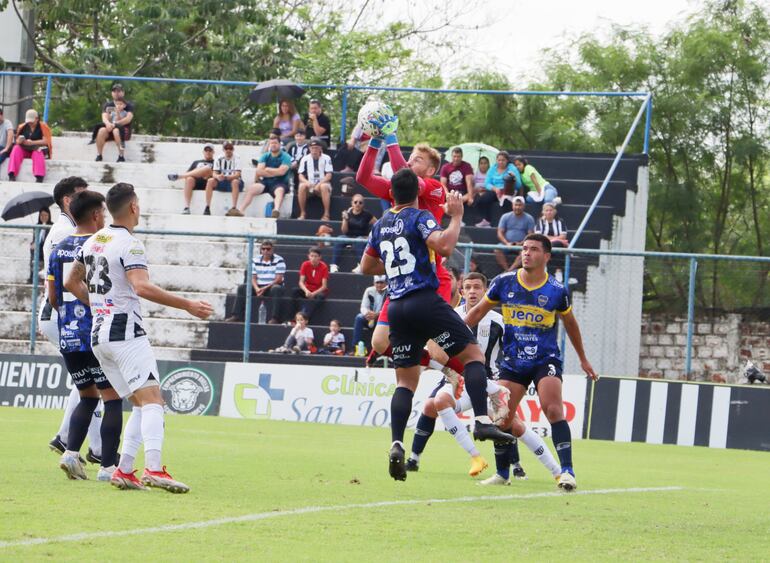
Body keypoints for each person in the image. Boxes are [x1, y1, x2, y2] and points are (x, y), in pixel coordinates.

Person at [360, 167, 514, 481]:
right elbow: (444, 246)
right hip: (424, 300)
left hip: (398, 306)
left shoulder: (381, 225)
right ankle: (482, 419)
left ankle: (397, 443)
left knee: (405, 383)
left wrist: (392, 266)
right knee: (473, 357)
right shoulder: (419, 216)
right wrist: (455, 217)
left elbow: (365, 266)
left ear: (392, 193)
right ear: (416, 193)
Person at [65, 182, 213, 492]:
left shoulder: (92, 241)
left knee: (140, 401)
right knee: (154, 399)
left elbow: (70, 281)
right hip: (125, 332)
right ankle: (155, 468)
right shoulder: (131, 244)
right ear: (133, 207)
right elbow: (141, 287)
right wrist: (188, 305)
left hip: (99, 335)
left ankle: (124, 470)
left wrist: (98, 306)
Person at [465, 233, 599, 491]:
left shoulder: (557, 291)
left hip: (544, 359)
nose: (526, 253)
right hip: (513, 361)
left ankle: (567, 472)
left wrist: (583, 359)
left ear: (546, 256)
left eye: (534, 249)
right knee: (501, 417)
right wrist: (450, 335)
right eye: (524, 249)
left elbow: (571, 324)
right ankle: (503, 473)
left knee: (553, 410)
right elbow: (476, 313)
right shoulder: (503, 282)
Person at [47, 190, 123, 482]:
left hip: (68, 334)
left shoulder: (59, 247)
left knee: (87, 397)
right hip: (97, 332)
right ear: (94, 215)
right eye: (102, 212)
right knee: (112, 398)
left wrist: (69, 317)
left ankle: (70, 455)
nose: (104, 217)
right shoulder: (100, 245)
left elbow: (53, 296)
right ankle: (107, 467)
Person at [43, 177, 102, 461]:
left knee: (82, 382)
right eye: (82, 195)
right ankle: (97, 449)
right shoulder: (71, 232)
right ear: (69, 200)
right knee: (97, 383)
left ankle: (66, 438)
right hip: (68, 310)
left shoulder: (62, 230)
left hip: (59, 309)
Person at [225, 240, 286, 324]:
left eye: (268, 249)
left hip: (272, 286)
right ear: (261, 250)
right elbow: (252, 277)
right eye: (263, 249)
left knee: (277, 289)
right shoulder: (255, 260)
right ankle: (237, 316)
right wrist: (257, 288)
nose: (265, 251)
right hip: (258, 286)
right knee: (242, 288)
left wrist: (264, 288)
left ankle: (275, 318)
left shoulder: (279, 260)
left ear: (272, 250)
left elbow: (278, 279)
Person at [238, 137, 291, 218]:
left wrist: (268, 169)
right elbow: (259, 171)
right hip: (266, 182)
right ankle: (241, 211)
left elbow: (282, 172)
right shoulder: (265, 156)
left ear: (279, 144)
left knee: (280, 191)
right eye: (271, 143)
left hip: (280, 182)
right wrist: (275, 172)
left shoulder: (286, 156)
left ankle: (276, 210)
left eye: (275, 143)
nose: (273, 145)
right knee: (252, 188)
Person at [330, 194, 375, 273]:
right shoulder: (348, 213)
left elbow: (377, 225)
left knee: (359, 241)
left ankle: (361, 265)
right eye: (355, 202)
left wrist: (369, 236)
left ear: (363, 204)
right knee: (339, 239)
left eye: (360, 202)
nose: (357, 204)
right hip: (348, 236)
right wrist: (345, 219)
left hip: (361, 237)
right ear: (352, 203)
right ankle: (334, 265)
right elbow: (344, 231)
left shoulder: (367, 215)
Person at [167, 144, 216, 214]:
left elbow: (216, 174)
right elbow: (188, 174)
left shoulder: (216, 162)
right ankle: (187, 207)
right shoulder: (196, 162)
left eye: (210, 150)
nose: (208, 152)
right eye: (206, 150)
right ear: (203, 152)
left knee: (207, 168)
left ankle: (179, 176)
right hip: (196, 182)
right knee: (189, 178)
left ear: (213, 152)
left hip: (208, 182)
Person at [7, 109, 52, 183]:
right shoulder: (23, 126)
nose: (30, 123)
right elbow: (17, 140)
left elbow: (46, 141)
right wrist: (19, 141)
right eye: (28, 122)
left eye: (32, 121)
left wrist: (32, 143)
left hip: (37, 148)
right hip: (25, 148)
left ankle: (39, 177)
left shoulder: (43, 127)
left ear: (37, 119)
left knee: (38, 152)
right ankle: (11, 174)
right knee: (16, 149)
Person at [479, 151, 522, 225]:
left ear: (507, 161)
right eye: (499, 160)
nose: (501, 162)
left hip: (508, 191)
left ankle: (507, 223)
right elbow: (487, 183)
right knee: (484, 199)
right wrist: (495, 188)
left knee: (506, 202)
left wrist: (514, 177)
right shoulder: (492, 168)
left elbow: (519, 185)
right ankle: (487, 220)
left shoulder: (512, 168)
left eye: (503, 160)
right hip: (495, 190)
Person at [94, 84, 134, 162]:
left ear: (123, 93)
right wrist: (108, 124)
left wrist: (115, 124)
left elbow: (128, 119)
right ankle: (99, 155)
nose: (116, 93)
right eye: (114, 91)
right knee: (101, 130)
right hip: (110, 128)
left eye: (119, 91)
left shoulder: (128, 105)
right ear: (112, 93)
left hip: (123, 130)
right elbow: (104, 117)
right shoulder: (108, 105)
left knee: (116, 131)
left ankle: (121, 156)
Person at [495, 196, 535, 271]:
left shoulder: (529, 218)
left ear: (523, 206)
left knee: (525, 252)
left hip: (522, 245)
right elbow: (500, 232)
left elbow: (530, 235)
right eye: (516, 205)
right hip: (507, 244)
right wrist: (507, 243)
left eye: (520, 205)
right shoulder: (505, 216)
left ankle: (510, 270)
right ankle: (506, 269)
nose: (517, 207)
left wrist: (521, 243)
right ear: (512, 205)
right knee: (497, 249)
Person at [290, 247, 329, 322]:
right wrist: (306, 291)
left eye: (316, 256)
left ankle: (305, 317)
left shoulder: (324, 267)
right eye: (312, 256)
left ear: (320, 257)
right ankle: (294, 316)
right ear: (308, 256)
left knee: (320, 296)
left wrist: (313, 293)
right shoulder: (305, 264)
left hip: (318, 291)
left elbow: (324, 286)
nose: (313, 258)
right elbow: (301, 282)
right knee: (294, 291)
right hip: (307, 289)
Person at [204, 141, 243, 217]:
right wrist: (218, 176)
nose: (228, 150)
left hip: (234, 182)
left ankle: (234, 208)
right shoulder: (218, 158)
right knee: (210, 181)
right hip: (222, 181)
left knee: (235, 181)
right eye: (226, 148)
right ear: (223, 149)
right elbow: (214, 173)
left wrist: (228, 177)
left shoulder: (237, 158)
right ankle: (207, 207)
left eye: (230, 148)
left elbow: (238, 174)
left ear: (233, 149)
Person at [297, 139, 333, 220]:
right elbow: (300, 175)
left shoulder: (326, 158)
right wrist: (307, 182)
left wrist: (319, 184)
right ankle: (302, 213)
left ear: (320, 148)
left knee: (324, 186)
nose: (314, 150)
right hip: (310, 185)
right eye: (312, 148)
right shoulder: (305, 159)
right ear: (309, 149)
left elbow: (329, 175)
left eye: (316, 148)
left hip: (322, 185)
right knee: (302, 186)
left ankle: (326, 214)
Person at [351, 275, 388, 354]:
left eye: (381, 283)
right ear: (374, 283)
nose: (379, 285)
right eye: (377, 283)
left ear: (385, 283)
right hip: (370, 318)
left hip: (382, 318)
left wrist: (377, 315)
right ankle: (356, 347)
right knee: (359, 318)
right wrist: (367, 313)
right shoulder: (369, 290)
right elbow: (363, 307)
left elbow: (389, 308)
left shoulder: (388, 292)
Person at [470, 156, 498, 226]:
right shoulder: (475, 174)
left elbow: (493, 185)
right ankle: (478, 220)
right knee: (476, 198)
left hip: (489, 193)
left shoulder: (491, 174)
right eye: (481, 163)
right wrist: (477, 190)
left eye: (485, 163)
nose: (483, 165)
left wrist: (485, 190)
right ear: (479, 165)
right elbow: (472, 187)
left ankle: (486, 221)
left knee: (485, 199)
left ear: (488, 164)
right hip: (477, 193)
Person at [29, 207, 53, 284]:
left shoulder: (52, 226)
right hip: (37, 252)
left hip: (45, 251)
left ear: (49, 216)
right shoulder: (37, 226)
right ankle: (32, 278)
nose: (44, 217)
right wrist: (33, 244)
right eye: (41, 215)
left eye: (46, 215)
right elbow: (34, 239)